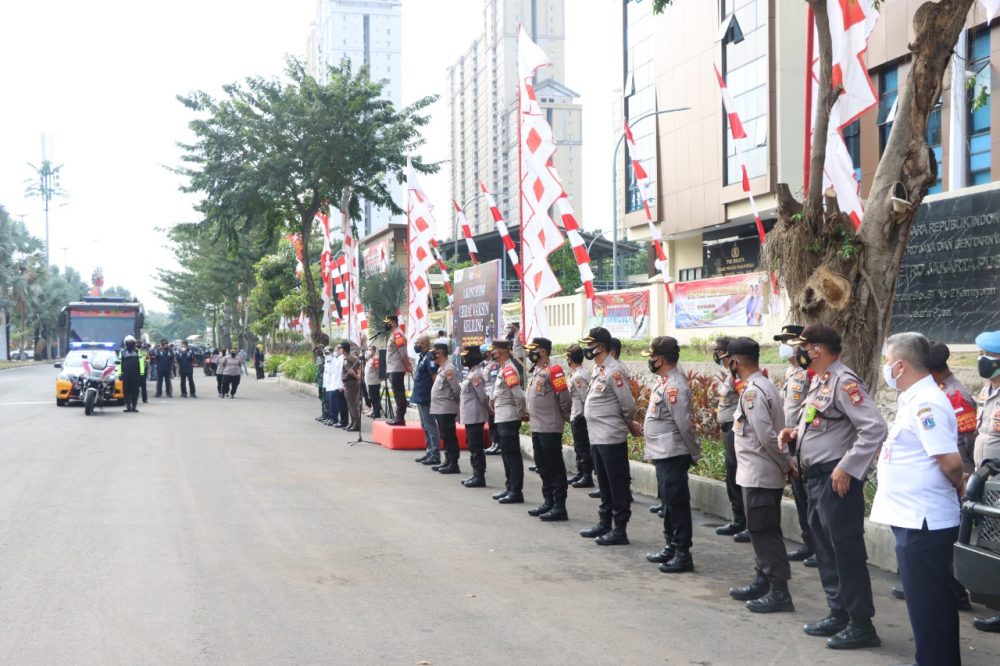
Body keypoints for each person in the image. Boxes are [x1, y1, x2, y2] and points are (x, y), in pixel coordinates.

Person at [779, 323, 887, 650]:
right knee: (825, 548)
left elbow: (874, 428)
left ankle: (861, 623)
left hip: (835, 481)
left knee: (845, 550)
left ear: (818, 350)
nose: (799, 352)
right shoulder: (822, 382)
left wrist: (848, 468)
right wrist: (795, 435)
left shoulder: (844, 382)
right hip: (815, 479)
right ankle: (838, 611)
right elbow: (821, 423)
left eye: (804, 347)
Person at [868, 332, 965, 665]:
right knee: (923, 601)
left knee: (930, 602)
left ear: (900, 365)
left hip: (924, 519)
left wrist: (959, 485)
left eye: (886, 361)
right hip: (912, 517)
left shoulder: (926, 403)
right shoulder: (913, 398)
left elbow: (950, 461)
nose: (884, 368)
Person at [723, 338, 794, 613]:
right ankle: (762, 579)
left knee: (765, 532)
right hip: (757, 473)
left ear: (735, 362)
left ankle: (779, 591)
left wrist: (786, 464)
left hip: (761, 473)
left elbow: (767, 436)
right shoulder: (760, 386)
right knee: (759, 529)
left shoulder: (753, 391)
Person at [639, 336, 698, 573]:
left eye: (652, 357)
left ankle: (683, 553)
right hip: (663, 454)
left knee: (677, 504)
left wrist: (692, 453)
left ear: (660, 359)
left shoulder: (675, 386)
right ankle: (671, 546)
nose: (651, 361)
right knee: (668, 504)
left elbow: (684, 424)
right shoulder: (665, 382)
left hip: (673, 453)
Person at [579, 327, 637, 545]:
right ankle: (604, 522)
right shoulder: (598, 369)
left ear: (600, 347)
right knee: (603, 482)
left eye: (590, 345)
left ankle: (619, 529)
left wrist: (629, 423)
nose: (587, 349)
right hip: (597, 437)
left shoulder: (615, 371)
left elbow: (627, 405)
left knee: (617, 484)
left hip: (611, 437)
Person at [774, 325, 815, 565]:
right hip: (790, 439)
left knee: (810, 495)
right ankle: (808, 541)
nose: (784, 347)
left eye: (789, 343)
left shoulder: (809, 373)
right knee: (800, 495)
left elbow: (811, 409)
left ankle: (819, 545)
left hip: (804, 440)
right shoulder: (791, 373)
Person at [524, 337, 572, 522]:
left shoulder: (555, 371)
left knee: (554, 467)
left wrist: (563, 417)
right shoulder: (537, 371)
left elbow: (565, 398)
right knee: (542, 466)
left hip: (550, 427)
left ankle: (560, 506)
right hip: (537, 427)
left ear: (542, 351)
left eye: (533, 350)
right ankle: (548, 501)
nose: (530, 353)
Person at [972, 330, 1000, 633]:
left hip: (999, 480)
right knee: (993, 545)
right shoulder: (988, 388)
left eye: (988, 357)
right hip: (986, 480)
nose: (982, 361)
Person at [713, 336, 749, 543]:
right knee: (731, 473)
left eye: (719, 350)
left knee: (736, 473)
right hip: (729, 429)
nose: (716, 354)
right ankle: (738, 518)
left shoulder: (738, 376)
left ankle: (743, 520)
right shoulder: (731, 374)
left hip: (736, 430)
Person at [489, 339, 527, 504]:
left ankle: (516, 491)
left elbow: (518, 395)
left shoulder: (510, 370)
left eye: (495, 350)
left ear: (502, 351)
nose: (492, 353)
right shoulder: (503, 369)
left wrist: (519, 414)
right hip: (502, 417)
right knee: (506, 455)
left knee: (512, 456)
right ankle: (509, 487)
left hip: (509, 417)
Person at [459, 344, 489, 488]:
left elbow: (483, 397)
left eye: (466, 354)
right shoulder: (471, 372)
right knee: (472, 445)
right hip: (470, 415)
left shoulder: (476, 374)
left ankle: (479, 476)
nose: (463, 357)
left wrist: (489, 410)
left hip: (475, 415)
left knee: (476, 446)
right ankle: (476, 473)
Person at [430, 342, 462, 474]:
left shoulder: (449, 369)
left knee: (449, 436)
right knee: (445, 436)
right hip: (440, 409)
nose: (432, 354)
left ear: (440, 353)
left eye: (434, 352)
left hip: (446, 409)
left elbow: (455, 389)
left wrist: (455, 405)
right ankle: (447, 461)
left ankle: (453, 463)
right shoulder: (441, 368)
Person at [565, 344, 594, 489]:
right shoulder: (581, 373)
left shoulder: (579, 376)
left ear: (570, 359)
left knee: (582, 447)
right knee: (579, 446)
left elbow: (585, 398)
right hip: (577, 415)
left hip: (580, 415)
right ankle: (580, 472)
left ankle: (586, 475)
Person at [411, 335, 442, 465]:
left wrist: (435, 395)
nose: (415, 346)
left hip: (427, 396)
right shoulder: (422, 357)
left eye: (417, 343)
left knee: (430, 426)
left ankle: (435, 454)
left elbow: (434, 376)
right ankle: (429, 451)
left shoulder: (429, 357)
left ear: (423, 344)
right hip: (420, 396)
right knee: (424, 425)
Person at [383, 315, 411, 426]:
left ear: (393, 323)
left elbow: (403, 352)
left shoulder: (398, 334)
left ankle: (400, 417)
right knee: (396, 393)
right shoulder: (393, 334)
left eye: (387, 322)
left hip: (397, 368)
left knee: (399, 394)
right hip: (392, 368)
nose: (385, 324)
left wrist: (408, 365)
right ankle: (398, 416)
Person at [117, 335, 144, 413]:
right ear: (125, 343)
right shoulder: (122, 352)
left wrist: (141, 373)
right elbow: (119, 363)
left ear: (134, 343)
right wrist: (120, 374)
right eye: (128, 343)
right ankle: (128, 406)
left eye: (131, 343)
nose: (130, 344)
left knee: (135, 390)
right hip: (125, 374)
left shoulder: (138, 351)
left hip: (136, 374)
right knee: (126, 391)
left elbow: (141, 362)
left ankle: (134, 406)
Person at [483, 352, 502, 455]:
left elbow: (494, 382)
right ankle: (494, 443)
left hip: (494, 396)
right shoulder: (489, 365)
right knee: (491, 421)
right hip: (488, 395)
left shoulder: (496, 365)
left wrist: (492, 398)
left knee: (495, 422)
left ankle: (498, 444)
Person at [341, 341, 362, 432]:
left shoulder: (346, 358)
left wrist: (356, 376)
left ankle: (356, 424)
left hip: (350, 383)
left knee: (352, 404)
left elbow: (349, 370)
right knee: (352, 404)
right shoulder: (353, 357)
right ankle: (353, 423)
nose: (340, 349)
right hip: (353, 383)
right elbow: (360, 366)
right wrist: (358, 375)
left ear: (344, 349)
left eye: (341, 348)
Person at [364, 344, 381, 418]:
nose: (368, 351)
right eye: (368, 349)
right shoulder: (369, 360)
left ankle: (376, 413)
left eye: (370, 350)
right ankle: (373, 410)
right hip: (369, 382)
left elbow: (378, 369)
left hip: (374, 381)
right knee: (371, 397)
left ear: (374, 351)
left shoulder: (375, 359)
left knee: (375, 398)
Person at [315, 345, 331, 423]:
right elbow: (318, 371)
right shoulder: (318, 358)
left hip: (325, 382)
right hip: (320, 382)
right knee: (321, 398)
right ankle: (323, 414)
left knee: (325, 399)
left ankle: (327, 414)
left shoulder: (326, 358)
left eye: (320, 349)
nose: (318, 351)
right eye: (317, 349)